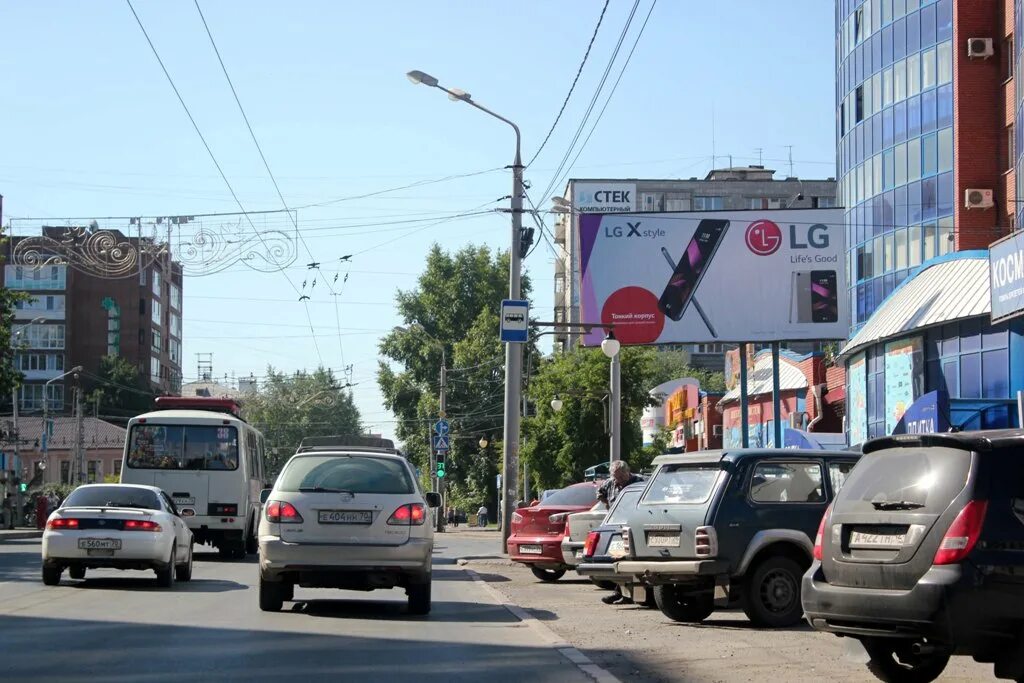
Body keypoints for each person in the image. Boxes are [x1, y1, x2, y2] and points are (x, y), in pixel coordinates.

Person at [597, 461, 644, 605]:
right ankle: (621, 593)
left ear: (627, 472)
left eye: (621, 477)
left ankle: (627, 594)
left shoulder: (640, 481)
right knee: (618, 559)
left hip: (634, 527)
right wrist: (608, 506)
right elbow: (600, 494)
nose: (619, 480)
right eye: (616, 477)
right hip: (616, 526)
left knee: (632, 560)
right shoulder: (610, 483)